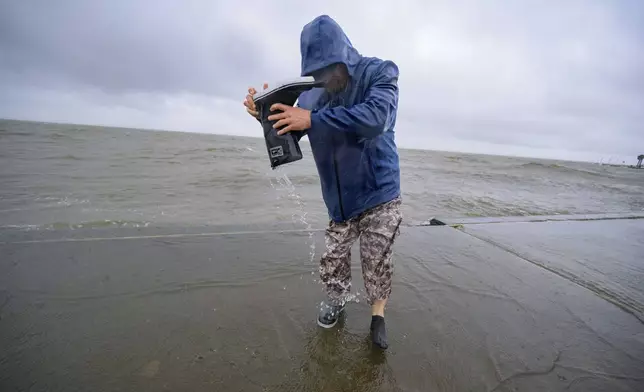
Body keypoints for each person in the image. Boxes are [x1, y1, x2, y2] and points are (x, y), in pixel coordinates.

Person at [243, 15, 402, 349]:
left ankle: (378, 315)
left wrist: (313, 118)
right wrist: (265, 114)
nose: (323, 80)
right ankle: (336, 300)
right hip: (339, 200)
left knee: (377, 259)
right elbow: (292, 129)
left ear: (344, 57)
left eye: (327, 71)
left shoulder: (380, 72)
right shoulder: (313, 96)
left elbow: (376, 119)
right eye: (315, 74)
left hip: (380, 191)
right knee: (333, 261)